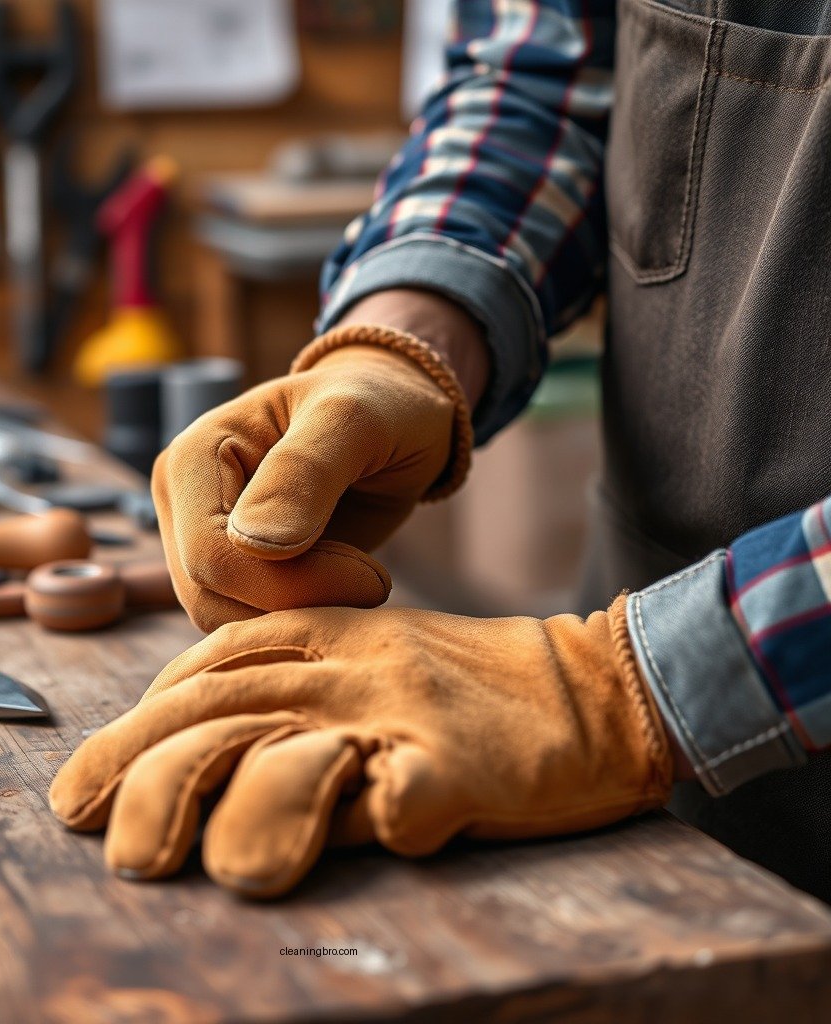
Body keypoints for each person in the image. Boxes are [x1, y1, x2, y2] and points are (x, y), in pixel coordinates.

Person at [50, 1, 831, 900]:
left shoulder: (610, 692)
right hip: (632, 797)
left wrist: (620, 689)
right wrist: (402, 340)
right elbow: (540, 81)